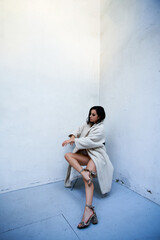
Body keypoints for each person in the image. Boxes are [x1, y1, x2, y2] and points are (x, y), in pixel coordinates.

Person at [62, 106, 114, 229]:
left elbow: (88, 141)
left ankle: (88, 210)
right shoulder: (87, 125)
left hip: (97, 156)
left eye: (94, 115)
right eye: (90, 114)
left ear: (99, 116)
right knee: (68, 155)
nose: (90, 116)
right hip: (88, 155)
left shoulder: (100, 128)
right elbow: (78, 130)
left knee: (88, 177)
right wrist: (73, 137)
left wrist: (74, 141)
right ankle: (83, 173)